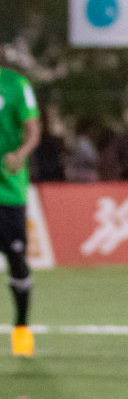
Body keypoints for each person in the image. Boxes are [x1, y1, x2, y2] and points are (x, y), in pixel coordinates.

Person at [0, 65, 41, 357]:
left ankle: (21, 327)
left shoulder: (16, 85)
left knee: (17, 260)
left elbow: (33, 130)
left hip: (9, 192)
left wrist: (20, 155)